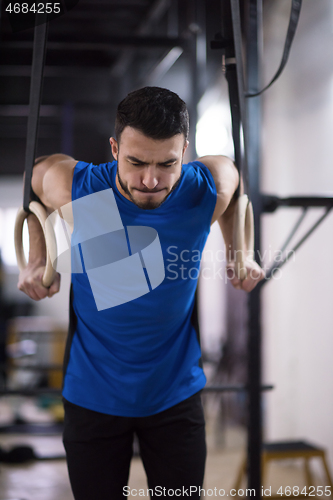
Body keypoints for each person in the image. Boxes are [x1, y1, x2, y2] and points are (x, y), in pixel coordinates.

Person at [18, 86, 264, 499]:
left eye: (167, 164)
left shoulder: (203, 191)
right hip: (93, 393)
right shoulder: (82, 190)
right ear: (114, 148)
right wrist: (37, 258)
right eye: (135, 162)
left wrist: (240, 255)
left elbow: (235, 189)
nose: (150, 180)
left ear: (185, 150)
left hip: (174, 395)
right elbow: (35, 180)